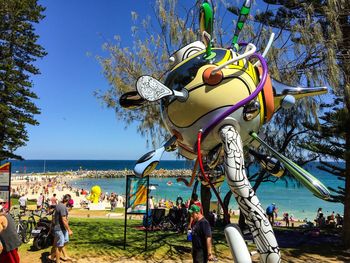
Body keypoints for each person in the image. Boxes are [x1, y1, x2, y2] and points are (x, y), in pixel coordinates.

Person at [49, 194, 73, 263]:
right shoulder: (62, 207)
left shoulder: (59, 205)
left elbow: (54, 217)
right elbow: (64, 219)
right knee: (59, 246)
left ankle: (55, 256)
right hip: (59, 229)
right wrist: (69, 230)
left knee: (65, 241)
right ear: (68, 201)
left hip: (62, 228)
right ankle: (57, 260)